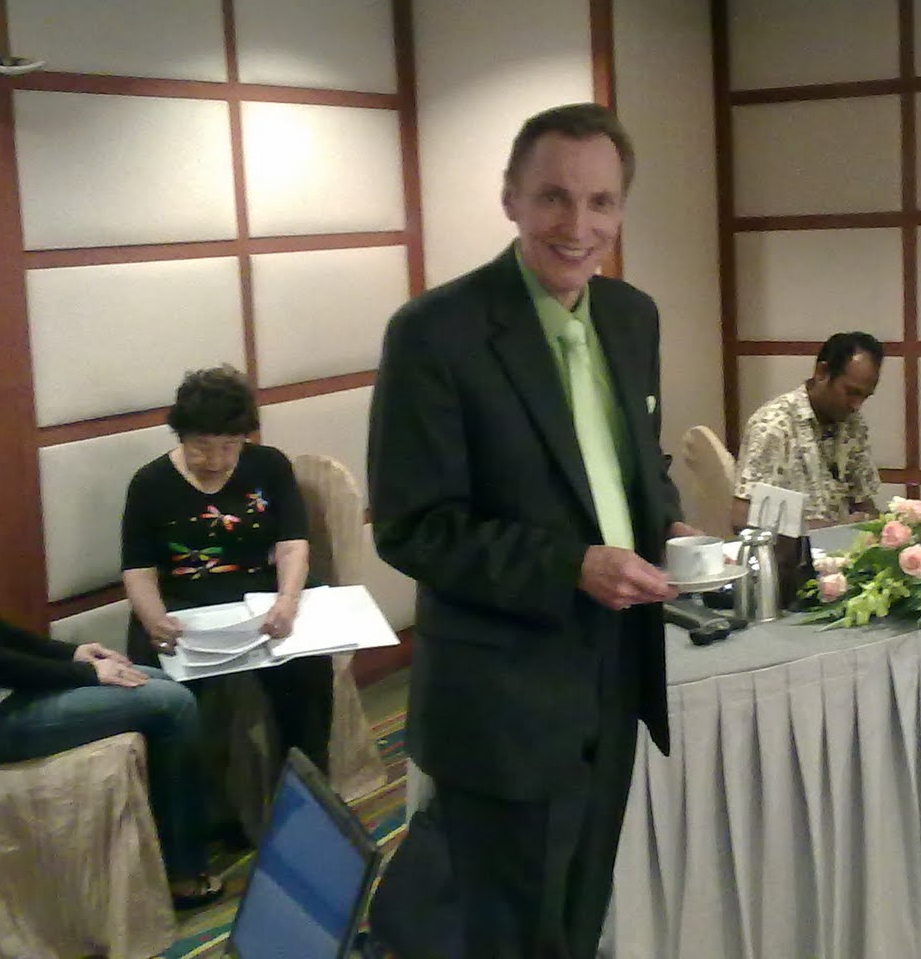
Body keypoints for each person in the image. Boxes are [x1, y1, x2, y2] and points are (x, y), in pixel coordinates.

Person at [367, 102, 694, 959]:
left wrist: (669, 521)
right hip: (502, 697)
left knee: (581, 917)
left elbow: (632, 459)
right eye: (554, 197)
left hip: (616, 672)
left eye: (600, 202)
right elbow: (412, 527)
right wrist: (571, 565)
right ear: (510, 198)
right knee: (511, 935)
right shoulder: (435, 333)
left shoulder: (632, 315)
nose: (577, 226)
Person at [0, 390, 220, 909]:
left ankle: (166, 852)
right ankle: (183, 872)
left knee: (156, 681)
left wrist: (72, 654)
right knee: (172, 703)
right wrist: (87, 676)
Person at [120, 365, 333, 780]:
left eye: (230, 446)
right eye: (201, 447)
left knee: (307, 671)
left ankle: (306, 788)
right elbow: (138, 568)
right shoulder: (150, 483)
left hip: (262, 594)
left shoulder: (269, 466)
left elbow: (292, 543)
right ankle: (192, 804)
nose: (216, 461)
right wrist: (153, 619)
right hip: (183, 602)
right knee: (169, 696)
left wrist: (288, 600)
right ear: (181, 436)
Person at [730, 331, 884, 533]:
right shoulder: (774, 425)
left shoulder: (852, 423)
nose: (857, 405)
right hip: (791, 550)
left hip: (841, 546)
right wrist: (832, 529)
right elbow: (742, 518)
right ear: (822, 373)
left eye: (865, 396)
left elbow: (863, 501)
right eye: (851, 392)